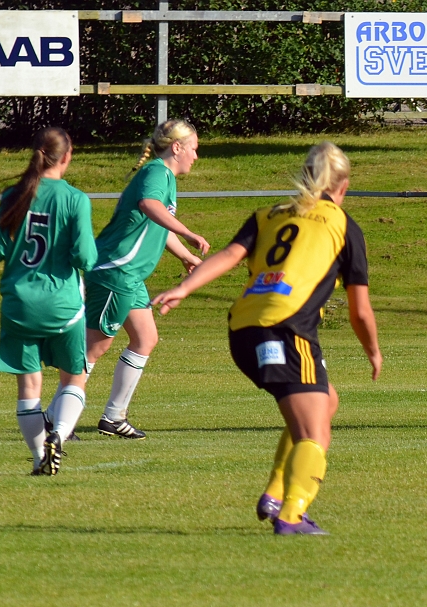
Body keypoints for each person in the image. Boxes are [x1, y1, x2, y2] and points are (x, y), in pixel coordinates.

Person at [152, 142, 382, 535]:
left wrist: (184, 288)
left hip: (243, 331)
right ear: (342, 185)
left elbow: (227, 256)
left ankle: (276, 492)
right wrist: (374, 351)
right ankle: (292, 515)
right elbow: (360, 311)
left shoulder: (267, 215)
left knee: (325, 401)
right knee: (314, 433)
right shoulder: (343, 226)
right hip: (287, 331)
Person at [74, 119, 210, 440]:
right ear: (176, 148)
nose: (196, 156)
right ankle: (56, 417)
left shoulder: (165, 177)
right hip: (116, 271)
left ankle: (113, 417)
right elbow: (149, 205)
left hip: (130, 277)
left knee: (145, 338)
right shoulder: (156, 172)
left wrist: (186, 255)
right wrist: (188, 233)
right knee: (94, 348)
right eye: (193, 149)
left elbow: (158, 224)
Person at [0, 127, 97, 475]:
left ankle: (40, 459)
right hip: (62, 304)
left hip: (19, 304)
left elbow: (0, 249)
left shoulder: (12, 196)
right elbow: (85, 256)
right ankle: (61, 436)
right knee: (74, 377)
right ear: (66, 157)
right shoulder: (75, 198)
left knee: (29, 385)